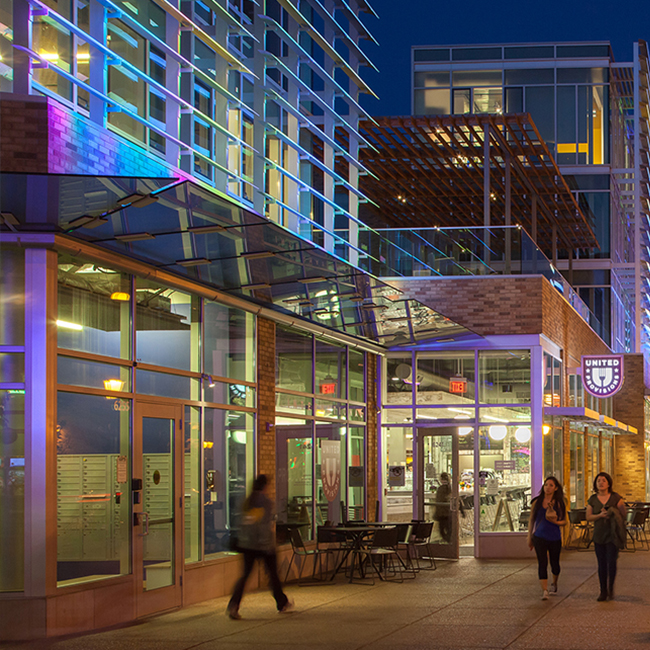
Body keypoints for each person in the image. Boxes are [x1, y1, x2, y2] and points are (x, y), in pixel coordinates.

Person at [226, 474, 293, 619]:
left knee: (245, 575)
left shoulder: (245, 502)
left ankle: (234, 605)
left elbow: (240, 523)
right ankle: (282, 602)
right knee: (273, 575)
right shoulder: (266, 503)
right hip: (263, 546)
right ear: (265, 486)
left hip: (246, 545)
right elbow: (263, 526)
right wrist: (268, 544)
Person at [585, 471, 627, 601]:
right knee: (601, 563)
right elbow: (588, 517)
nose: (601, 483)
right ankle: (602, 591)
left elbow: (624, 514)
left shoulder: (616, 498)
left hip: (612, 535)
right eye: (598, 481)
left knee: (611, 562)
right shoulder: (592, 499)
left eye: (603, 480)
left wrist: (614, 513)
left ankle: (610, 588)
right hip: (599, 535)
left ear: (608, 483)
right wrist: (600, 516)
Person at [527, 476, 567, 600]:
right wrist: (529, 536)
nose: (547, 488)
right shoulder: (537, 502)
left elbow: (565, 521)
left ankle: (554, 582)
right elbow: (532, 520)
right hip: (539, 537)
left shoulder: (560, 503)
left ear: (555, 488)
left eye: (551, 485)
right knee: (542, 562)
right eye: (546, 485)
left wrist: (555, 522)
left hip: (554, 537)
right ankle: (544, 590)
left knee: (555, 563)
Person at [434, 472, 452, 543]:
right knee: (449, 528)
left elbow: (438, 501)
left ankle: (447, 541)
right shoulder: (451, 488)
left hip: (442, 513)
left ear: (441, 479)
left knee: (442, 529)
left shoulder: (440, 489)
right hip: (449, 512)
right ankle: (449, 541)